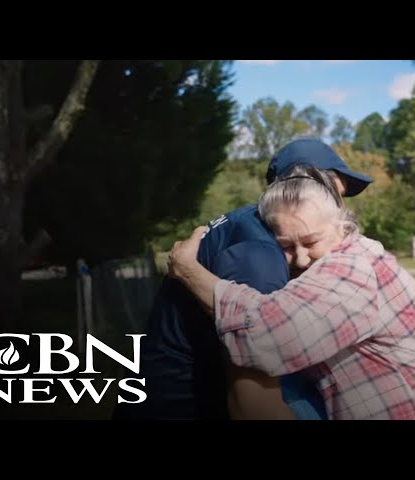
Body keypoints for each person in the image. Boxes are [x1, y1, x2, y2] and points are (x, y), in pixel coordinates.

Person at [167, 165, 415, 420]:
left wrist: (187, 269)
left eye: (311, 241)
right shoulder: (344, 258)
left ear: (343, 225)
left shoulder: (351, 269)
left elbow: (266, 333)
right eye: (285, 246)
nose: (300, 257)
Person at [113, 138, 373, 420]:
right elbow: (254, 405)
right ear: (299, 186)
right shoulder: (260, 256)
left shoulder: (252, 224)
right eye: (333, 197)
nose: (339, 213)